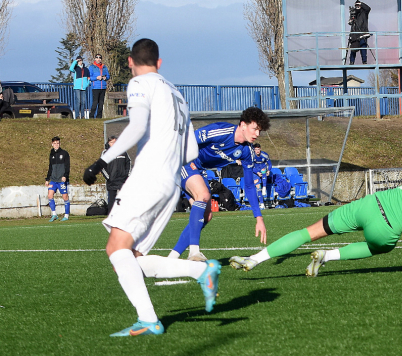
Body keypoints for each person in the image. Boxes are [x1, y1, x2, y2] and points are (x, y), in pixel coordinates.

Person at [80, 38, 221, 337]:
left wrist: (100, 162)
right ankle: (200, 271)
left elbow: (138, 125)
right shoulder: (178, 95)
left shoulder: (140, 83)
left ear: (130, 62)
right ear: (159, 63)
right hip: (171, 184)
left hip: (149, 177)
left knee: (116, 249)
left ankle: (148, 321)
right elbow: (192, 152)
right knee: (132, 258)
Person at [228, 166, 402, 276]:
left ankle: (255, 258)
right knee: (380, 247)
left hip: (368, 204)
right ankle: (329, 257)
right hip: (385, 226)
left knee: (309, 232)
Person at [168, 107, 272, 261]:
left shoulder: (247, 152)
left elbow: (249, 186)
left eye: (259, 131)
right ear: (243, 125)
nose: (257, 134)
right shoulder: (220, 132)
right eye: (255, 129)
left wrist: (259, 218)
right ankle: (194, 252)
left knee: (207, 215)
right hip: (183, 160)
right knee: (203, 195)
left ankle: (172, 258)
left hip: (199, 168)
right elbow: (187, 142)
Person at [101, 136, 131, 215]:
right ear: (108, 143)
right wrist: (108, 177)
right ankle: (111, 215)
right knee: (111, 198)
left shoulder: (123, 151)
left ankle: (125, 213)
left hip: (122, 179)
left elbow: (128, 162)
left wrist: (126, 174)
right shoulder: (105, 153)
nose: (113, 144)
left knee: (124, 197)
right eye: (111, 142)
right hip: (112, 179)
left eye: (115, 142)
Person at [45, 137, 71, 222]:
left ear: (60, 144)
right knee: (50, 195)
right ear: (52, 144)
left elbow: (67, 166)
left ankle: (66, 215)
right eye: (55, 143)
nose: (56, 145)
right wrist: (47, 179)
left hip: (61, 180)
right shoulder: (51, 153)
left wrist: (65, 176)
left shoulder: (64, 153)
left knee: (65, 197)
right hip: (53, 179)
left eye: (58, 143)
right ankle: (54, 214)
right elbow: (50, 167)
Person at [348, 0, 371, 65]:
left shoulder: (364, 12)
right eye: (356, 5)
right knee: (353, 48)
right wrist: (351, 20)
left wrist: (361, 3)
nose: (357, 7)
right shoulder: (354, 13)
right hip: (355, 34)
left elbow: (368, 8)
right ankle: (351, 62)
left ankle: (364, 61)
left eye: (358, 5)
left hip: (363, 33)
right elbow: (351, 22)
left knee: (363, 48)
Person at [89, 54, 110, 118]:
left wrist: (105, 78)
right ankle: (91, 116)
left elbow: (108, 76)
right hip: (95, 87)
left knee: (101, 103)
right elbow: (89, 77)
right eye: (97, 57)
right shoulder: (92, 67)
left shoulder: (104, 67)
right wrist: (96, 78)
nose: (98, 59)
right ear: (95, 59)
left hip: (103, 87)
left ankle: (99, 117)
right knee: (95, 103)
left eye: (100, 58)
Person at [251, 143, 272, 208]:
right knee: (258, 187)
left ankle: (264, 187)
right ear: (254, 150)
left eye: (258, 149)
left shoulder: (264, 155)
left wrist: (268, 170)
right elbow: (251, 166)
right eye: (256, 149)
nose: (257, 151)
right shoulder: (252, 156)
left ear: (260, 149)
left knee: (263, 170)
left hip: (263, 169)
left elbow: (270, 164)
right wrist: (257, 172)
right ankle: (262, 204)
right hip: (255, 171)